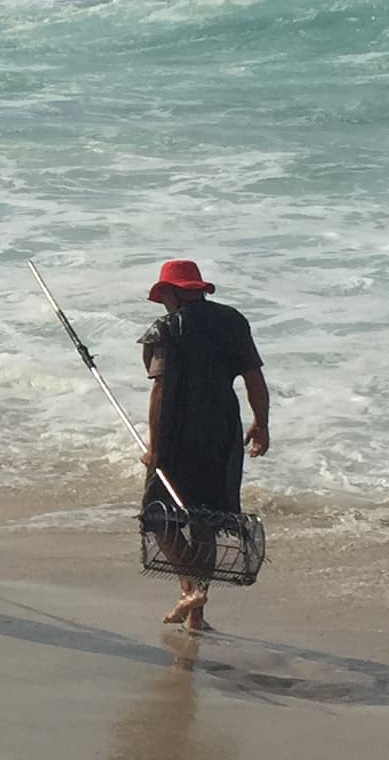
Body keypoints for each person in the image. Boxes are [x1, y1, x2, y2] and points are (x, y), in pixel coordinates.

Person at [137, 259, 269, 632]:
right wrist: (261, 423)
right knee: (204, 521)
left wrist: (154, 447)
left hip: (177, 434)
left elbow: (160, 390)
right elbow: (254, 377)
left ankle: (190, 589)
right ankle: (196, 616)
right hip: (223, 431)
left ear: (171, 292)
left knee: (158, 517)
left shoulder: (167, 329)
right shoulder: (232, 321)